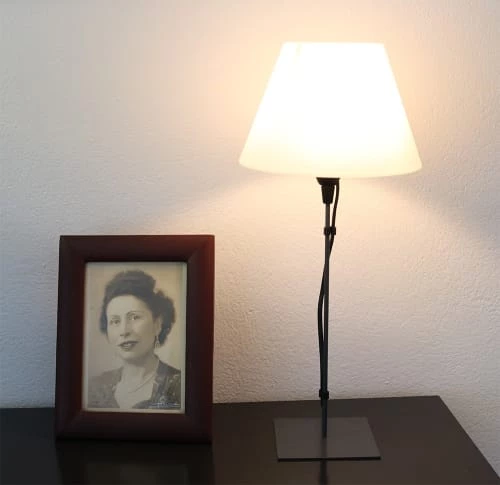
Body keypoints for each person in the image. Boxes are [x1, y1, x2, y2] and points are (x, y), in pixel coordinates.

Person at [87, 270, 182, 410]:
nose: (124, 331)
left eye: (134, 317)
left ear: (157, 324)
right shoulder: (94, 387)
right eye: (115, 321)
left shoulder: (181, 386)